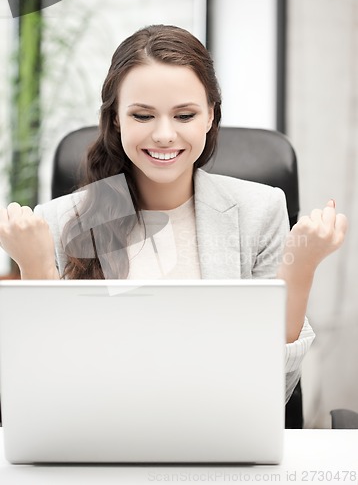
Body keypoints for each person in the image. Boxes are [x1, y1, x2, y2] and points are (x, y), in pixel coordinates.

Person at [0, 25, 347, 403]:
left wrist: (301, 267)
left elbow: (270, 393)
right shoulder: (56, 220)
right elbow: (44, 391)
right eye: (143, 116)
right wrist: (36, 271)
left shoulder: (259, 212)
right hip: (94, 446)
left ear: (211, 115)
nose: (164, 135)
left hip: (217, 445)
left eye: (184, 115)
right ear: (116, 118)